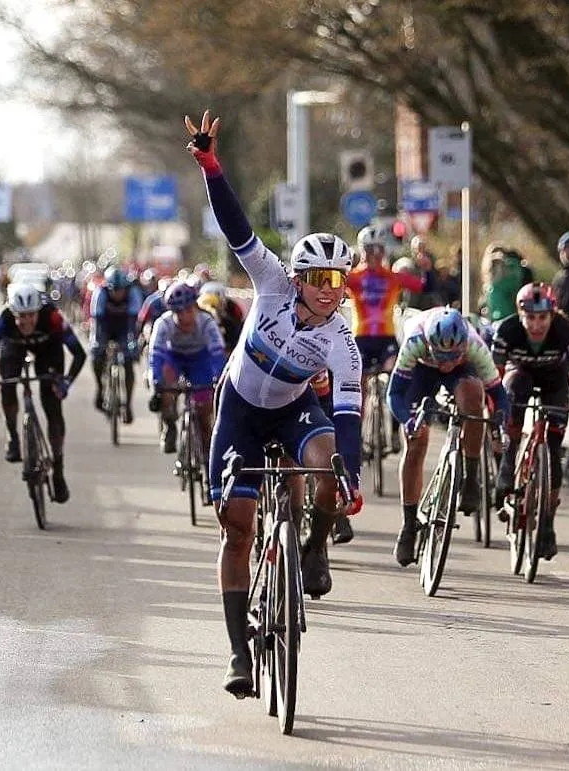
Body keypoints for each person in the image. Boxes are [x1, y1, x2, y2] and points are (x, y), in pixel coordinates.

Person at [184, 110, 362, 696]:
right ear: (301, 276)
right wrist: (212, 166)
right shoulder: (270, 283)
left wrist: (353, 476)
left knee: (328, 461)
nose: (330, 293)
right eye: (322, 280)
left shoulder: (342, 340)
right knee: (237, 531)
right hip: (239, 407)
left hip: (291, 410)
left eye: (341, 283)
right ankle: (238, 653)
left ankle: (312, 549)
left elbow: (349, 413)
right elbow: (237, 226)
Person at [386, 307, 508, 566]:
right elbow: (394, 394)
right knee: (416, 442)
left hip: (463, 375)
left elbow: (498, 394)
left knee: (473, 401)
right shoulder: (415, 341)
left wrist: (499, 421)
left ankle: (471, 476)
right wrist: (408, 422)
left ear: (464, 346)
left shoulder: (474, 345)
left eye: (453, 356)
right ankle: (409, 526)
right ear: (429, 345)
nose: (446, 363)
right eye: (441, 356)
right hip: (421, 372)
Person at [491, 283, 569, 561]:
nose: (536, 325)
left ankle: (547, 524)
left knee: (554, 449)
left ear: (553, 314)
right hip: (518, 374)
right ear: (520, 315)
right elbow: (494, 383)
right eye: (530, 318)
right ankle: (509, 462)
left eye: (542, 318)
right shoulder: (507, 331)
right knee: (511, 400)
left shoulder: (567, 333)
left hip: (554, 380)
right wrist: (495, 418)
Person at [0, 283, 88, 503]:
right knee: (8, 384)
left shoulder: (53, 317)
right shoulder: (4, 320)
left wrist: (65, 382)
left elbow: (79, 353)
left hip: (49, 349)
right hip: (14, 347)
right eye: (21, 317)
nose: (26, 321)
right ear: (13, 314)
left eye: (30, 316)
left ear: (39, 312)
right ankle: (12, 436)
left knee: (52, 404)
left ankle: (57, 468)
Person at [147, 282, 227, 455]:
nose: (184, 316)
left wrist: (217, 378)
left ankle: (206, 453)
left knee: (204, 412)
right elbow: (156, 355)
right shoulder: (163, 324)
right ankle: (169, 425)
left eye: (188, 310)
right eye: (178, 312)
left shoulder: (207, 322)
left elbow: (217, 353)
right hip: (173, 357)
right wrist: (156, 382)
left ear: (196, 307)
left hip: (199, 360)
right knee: (166, 388)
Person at [348, 224, 424, 379]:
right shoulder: (354, 277)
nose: (374, 255)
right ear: (362, 251)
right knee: (358, 378)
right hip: (361, 337)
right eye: (370, 250)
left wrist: (426, 269)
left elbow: (422, 286)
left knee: (396, 371)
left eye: (379, 250)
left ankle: (388, 401)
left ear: (384, 252)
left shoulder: (393, 277)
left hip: (386, 337)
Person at [90, 266, 142, 419]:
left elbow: (134, 323)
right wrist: (100, 345)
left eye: (121, 290)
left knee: (128, 360)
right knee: (97, 354)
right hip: (105, 327)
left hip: (124, 328)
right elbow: (97, 322)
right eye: (114, 290)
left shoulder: (133, 292)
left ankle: (128, 404)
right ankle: (100, 388)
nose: (118, 294)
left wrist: (133, 347)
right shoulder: (100, 293)